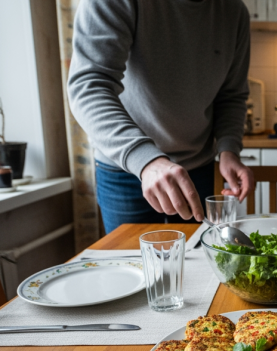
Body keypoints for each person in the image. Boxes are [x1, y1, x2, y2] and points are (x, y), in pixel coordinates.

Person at [68, 0, 255, 233]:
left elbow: (231, 96)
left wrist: (229, 150)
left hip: (199, 168)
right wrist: (145, 159)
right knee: (131, 255)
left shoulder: (235, 12)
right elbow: (89, 87)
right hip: (126, 169)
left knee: (200, 254)